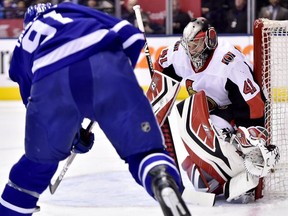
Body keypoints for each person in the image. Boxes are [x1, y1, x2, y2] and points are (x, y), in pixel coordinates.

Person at [0, 2, 191, 216]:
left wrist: (71, 136)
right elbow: (129, 36)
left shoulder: (22, 44)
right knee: (145, 151)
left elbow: (37, 108)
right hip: (105, 62)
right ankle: (161, 179)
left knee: (36, 166)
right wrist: (112, 91)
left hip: (49, 76)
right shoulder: (70, 9)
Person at [148, 17, 280, 203]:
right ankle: (219, 176)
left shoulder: (229, 62)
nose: (191, 50)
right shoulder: (180, 53)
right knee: (200, 180)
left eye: (197, 44)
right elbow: (162, 66)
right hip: (209, 111)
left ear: (210, 39)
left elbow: (253, 104)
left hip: (234, 111)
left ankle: (241, 173)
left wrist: (249, 131)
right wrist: (159, 94)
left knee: (242, 143)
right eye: (189, 45)